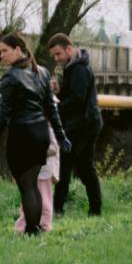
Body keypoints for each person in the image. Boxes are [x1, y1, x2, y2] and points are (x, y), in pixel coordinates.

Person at [0, 31, 66, 238]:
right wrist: (60, 135)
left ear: (18, 49)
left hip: (22, 135)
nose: (1, 56)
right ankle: (35, 228)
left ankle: (32, 230)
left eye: (5, 51)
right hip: (41, 134)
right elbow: (51, 109)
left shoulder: (10, 77)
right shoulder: (43, 72)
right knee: (33, 185)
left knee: (27, 187)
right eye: (0, 52)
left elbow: (3, 114)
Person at [48, 33, 103, 218]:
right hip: (81, 124)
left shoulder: (79, 69)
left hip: (84, 125)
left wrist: (55, 107)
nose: (56, 59)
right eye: (54, 56)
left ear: (69, 49)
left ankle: (60, 209)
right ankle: (93, 209)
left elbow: (78, 100)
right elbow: (73, 94)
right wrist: (59, 91)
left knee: (71, 167)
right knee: (80, 168)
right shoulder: (73, 67)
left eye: (58, 54)